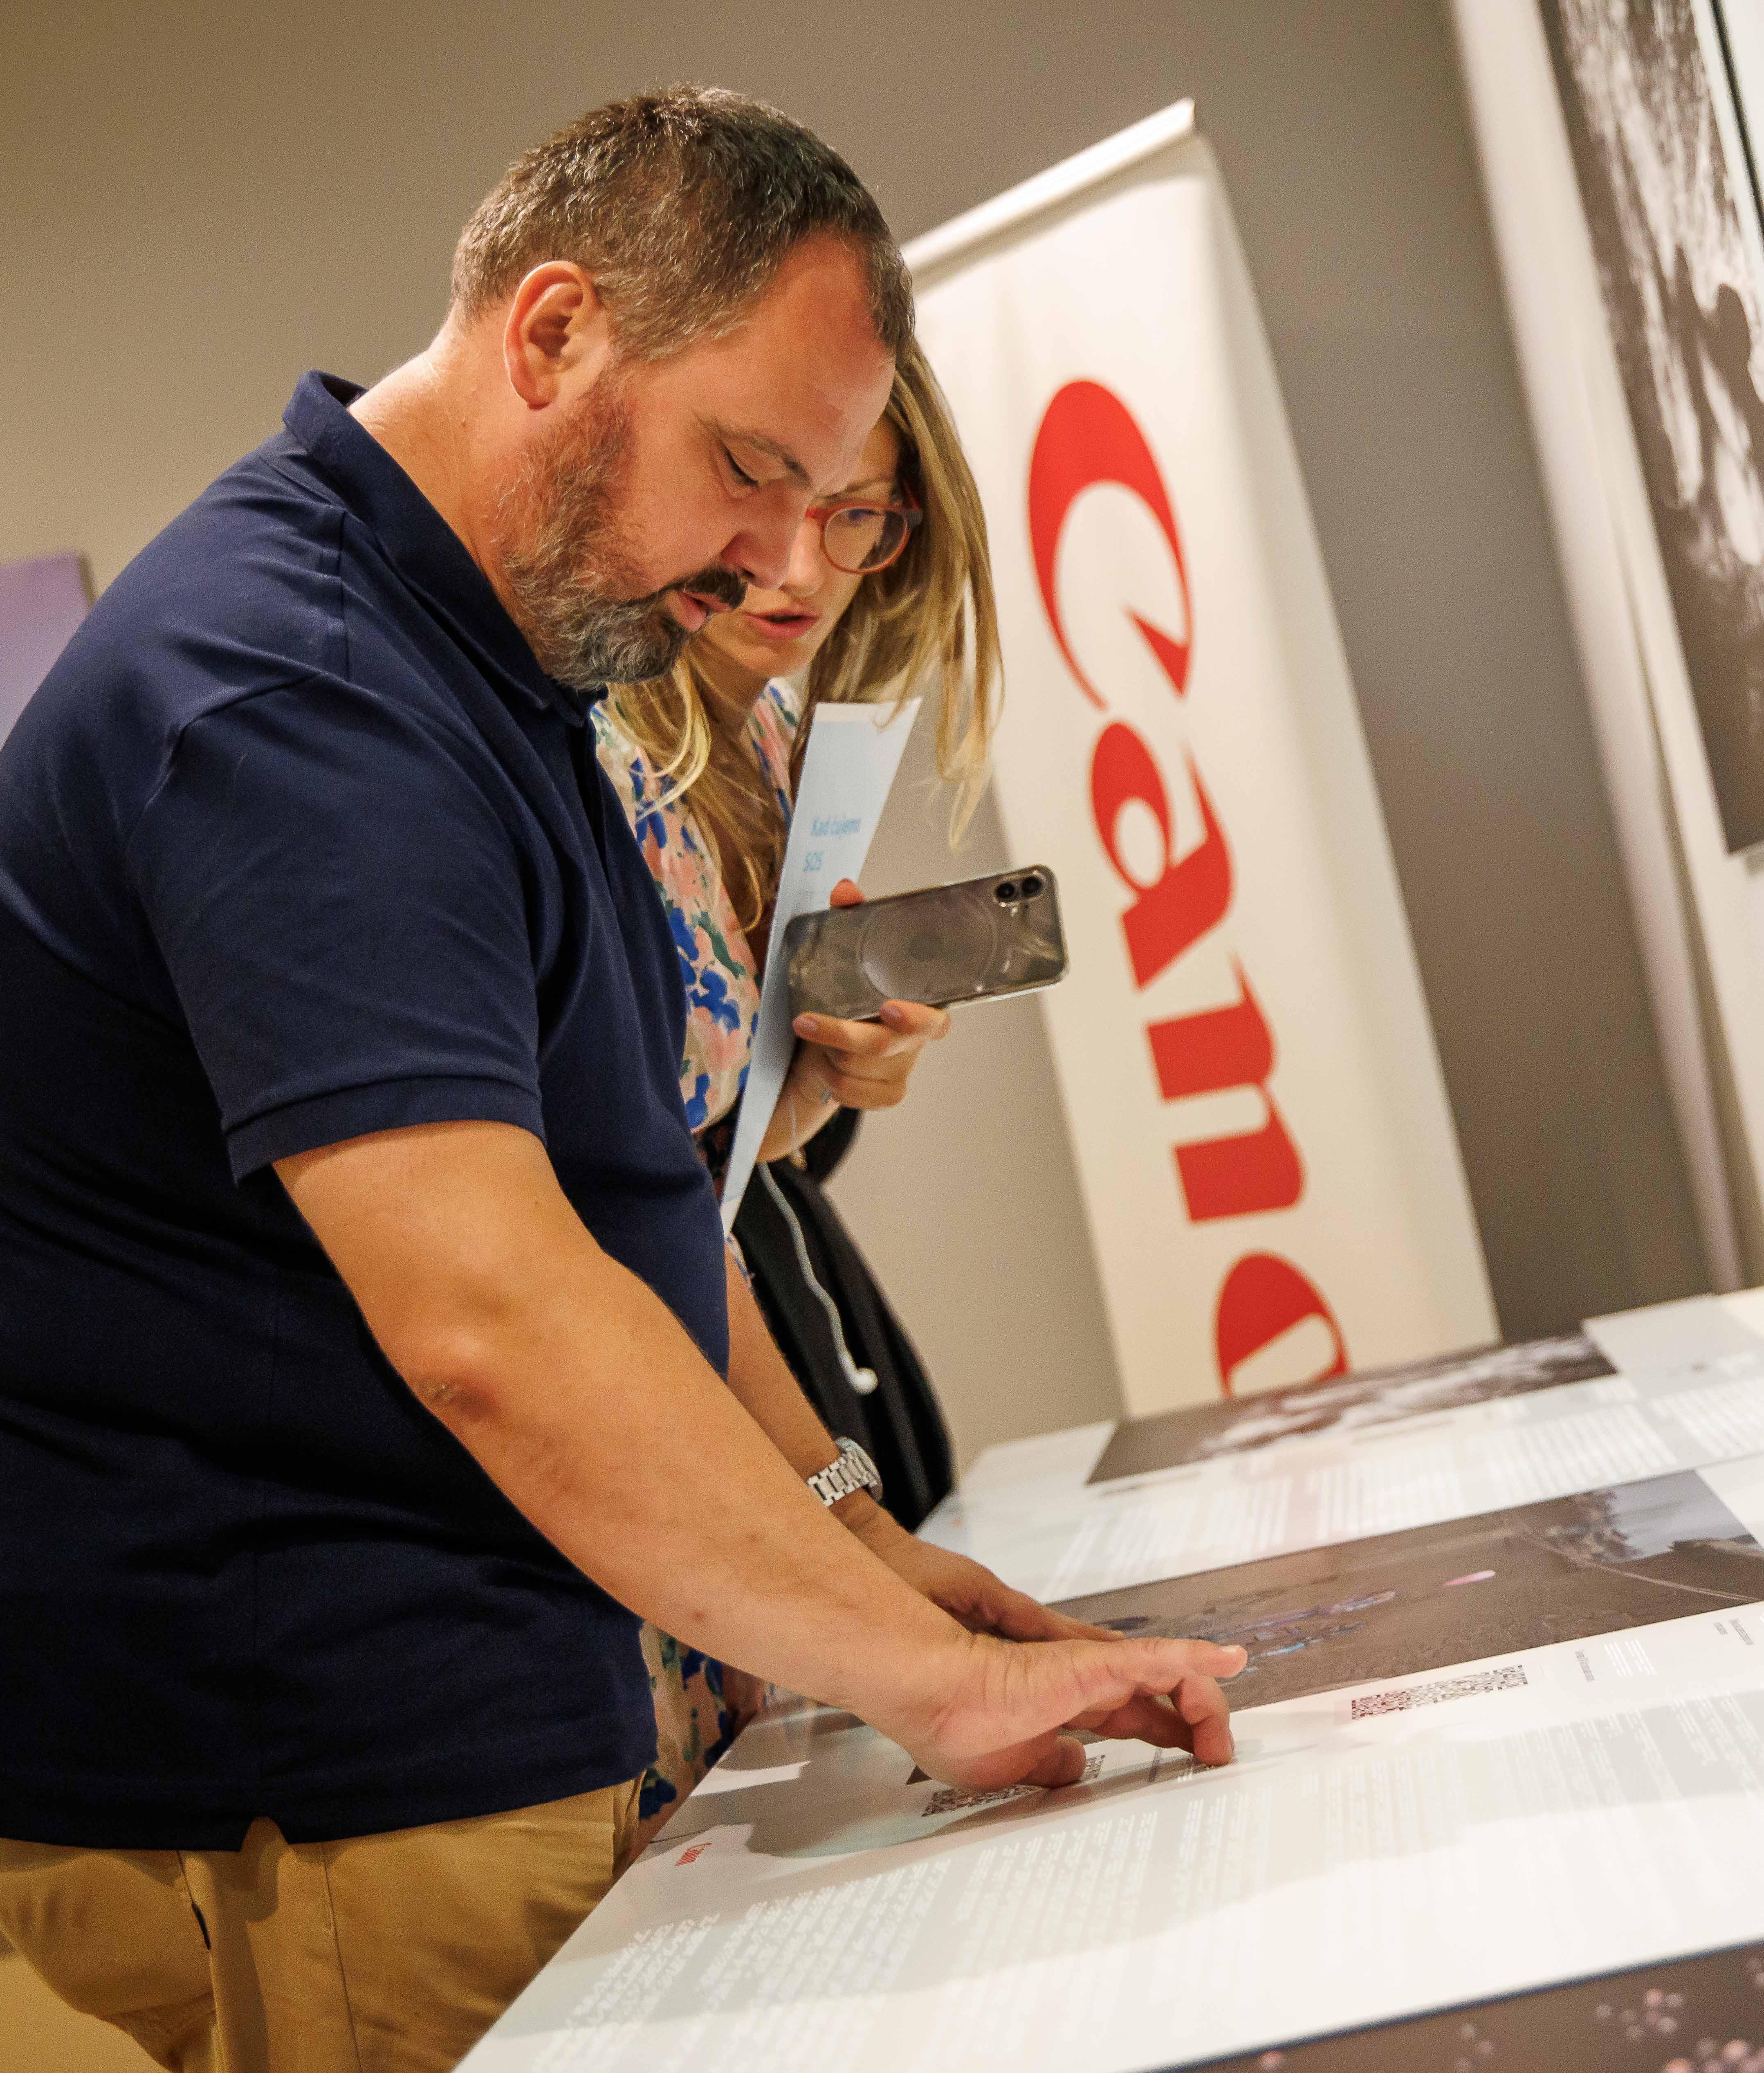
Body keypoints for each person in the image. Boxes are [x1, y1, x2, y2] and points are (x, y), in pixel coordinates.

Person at [0, 87, 1241, 2073]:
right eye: (747, 469)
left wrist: (854, 1538)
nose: (776, 563)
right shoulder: (298, 695)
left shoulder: (503, 667)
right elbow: (496, 1319)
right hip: (334, 1739)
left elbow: (632, 1211)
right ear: (550, 335)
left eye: (837, 504)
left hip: (485, 1687)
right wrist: (928, 1682)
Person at [591, 334, 999, 1840]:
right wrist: (843, 1519)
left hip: (764, 1438)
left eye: (858, 517)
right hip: (668, 1473)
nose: (803, 567)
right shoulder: (590, 758)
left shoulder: (763, 734)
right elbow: (627, 1212)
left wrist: (832, 1079)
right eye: (772, 496)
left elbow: (716, 1153)